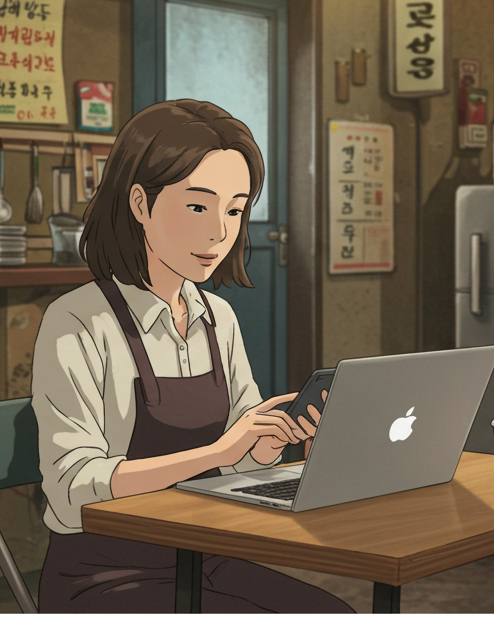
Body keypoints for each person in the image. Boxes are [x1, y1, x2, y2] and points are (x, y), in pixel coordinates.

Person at [32, 100, 353, 613]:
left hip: (208, 554)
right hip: (105, 574)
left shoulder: (218, 317)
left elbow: (238, 458)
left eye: (234, 209)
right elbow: (74, 490)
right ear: (141, 203)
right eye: (198, 207)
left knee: (335, 617)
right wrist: (221, 452)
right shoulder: (77, 322)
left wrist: (267, 440)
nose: (219, 233)